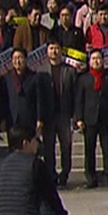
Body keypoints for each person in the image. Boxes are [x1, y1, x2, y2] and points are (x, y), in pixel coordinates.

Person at [73, 49, 108, 188]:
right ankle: (90, 177)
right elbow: (79, 100)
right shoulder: (83, 79)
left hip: (107, 119)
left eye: (99, 58)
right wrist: (79, 118)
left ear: (103, 61)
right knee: (89, 149)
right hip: (89, 118)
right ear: (90, 61)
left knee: (107, 149)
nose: (96, 61)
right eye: (93, 59)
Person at [43, 41, 78, 187]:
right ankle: (50, 174)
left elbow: (75, 94)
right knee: (48, 147)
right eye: (51, 48)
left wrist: (75, 115)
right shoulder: (42, 71)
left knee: (66, 146)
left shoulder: (69, 71)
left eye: (57, 48)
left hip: (65, 114)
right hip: (48, 116)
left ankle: (65, 174)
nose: (54, 51)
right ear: (47, 51)